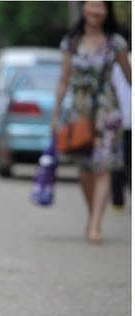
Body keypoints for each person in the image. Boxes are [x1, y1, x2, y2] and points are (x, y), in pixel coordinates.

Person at [51, 1, 131, 244]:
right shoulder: (71, 43)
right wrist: (55, 116)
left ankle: (95, 223)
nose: (95, 11)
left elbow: (130, 77)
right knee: (85, 168)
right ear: (83, 9)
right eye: (91, 5)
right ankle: (91, 215)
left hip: (107, 111)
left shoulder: (116, 43)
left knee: (103, 167)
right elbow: (64, 80)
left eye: (101, 6)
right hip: (80, 111)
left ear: (107, 11)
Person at [110, 52, 131, 212]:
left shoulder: (116, 64)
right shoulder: (117, 64)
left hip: (121, 120)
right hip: (119, 121)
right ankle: (117, 201)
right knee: (119, 163)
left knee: (121, 164)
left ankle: (118, 202)